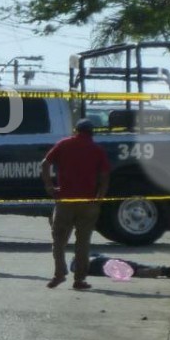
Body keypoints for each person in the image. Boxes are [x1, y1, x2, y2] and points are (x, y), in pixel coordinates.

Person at [40, 118, 111, 290]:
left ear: (75, 130)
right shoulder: (97, 150)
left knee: (59, 240)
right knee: (83, 243)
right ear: (92, 132)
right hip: (88, 203)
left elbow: (45, 163)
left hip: (65, 200)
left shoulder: (64, 144)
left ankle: (59, 273)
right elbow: (104, 176)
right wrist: (100, 197)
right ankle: (79, 280)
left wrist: (49, 185)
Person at [70, 254, 170, 279]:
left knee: (133, 268)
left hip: (89, 262)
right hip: (90, 262)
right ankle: (169, 271)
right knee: (132, 268)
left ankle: (169, 271)